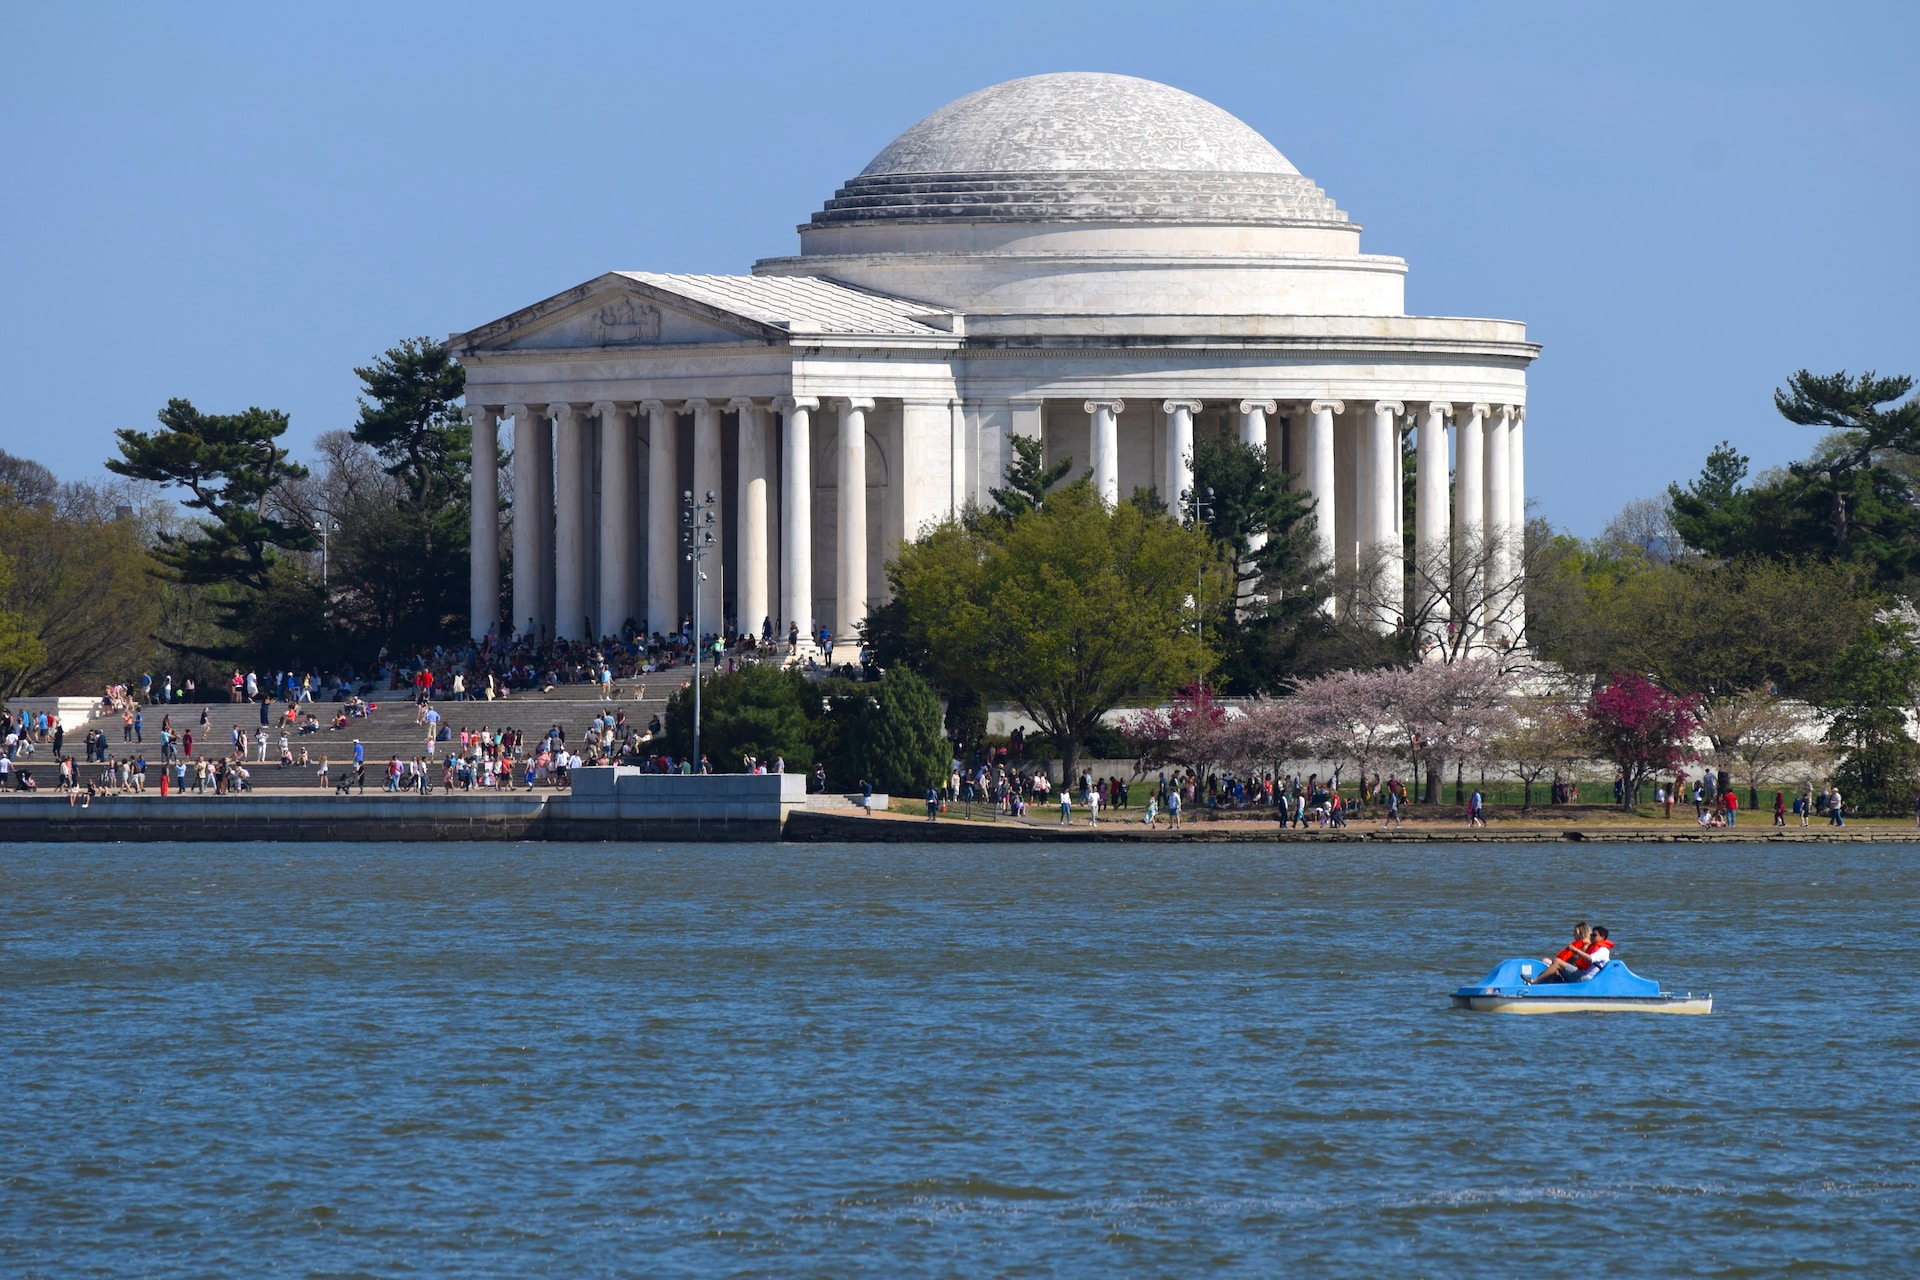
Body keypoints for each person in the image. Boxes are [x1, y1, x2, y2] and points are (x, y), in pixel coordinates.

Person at [1527, 922, 1593, 984]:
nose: (1573, 935)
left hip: (1576, 972)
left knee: (1557, 962)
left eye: (1575, 932)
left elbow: (1581, 964)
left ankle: (1535, 981)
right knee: (1545, 960)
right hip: (1567, 967)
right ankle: (1551, 982)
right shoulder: (1576, 945)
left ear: (1581, 933)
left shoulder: (1586, 947)